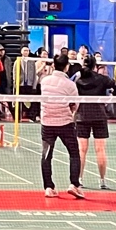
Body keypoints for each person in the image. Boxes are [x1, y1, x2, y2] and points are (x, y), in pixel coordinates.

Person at [40, 54, 84, 199]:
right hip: (65, 124)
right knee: (74, 153)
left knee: (46, 155)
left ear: (53, 65)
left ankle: (48, 187)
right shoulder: (70, 85)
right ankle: (74, 184)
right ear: (67, 66)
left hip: (47, 123)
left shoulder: (44, 81)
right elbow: (75, 105)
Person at [75, 55, 116, 190]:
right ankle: (102, 181)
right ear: (95, 66)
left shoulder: (78, 79)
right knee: (100, 149)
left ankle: (79, 179)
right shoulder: (102, 79)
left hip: (82, 115)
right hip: (99, 115)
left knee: (81, 150)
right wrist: (115, 95)